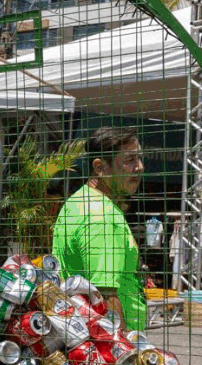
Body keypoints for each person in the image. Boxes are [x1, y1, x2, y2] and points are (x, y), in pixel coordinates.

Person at [53, 127, 147, 332]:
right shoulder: (101, 214)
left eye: (140, 158)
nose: (139, 167)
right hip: (109, 340)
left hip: (83, 333)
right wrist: (122, 348)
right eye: (130, 160)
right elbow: (105, 296)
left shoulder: (77, 201)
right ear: (100, 167)